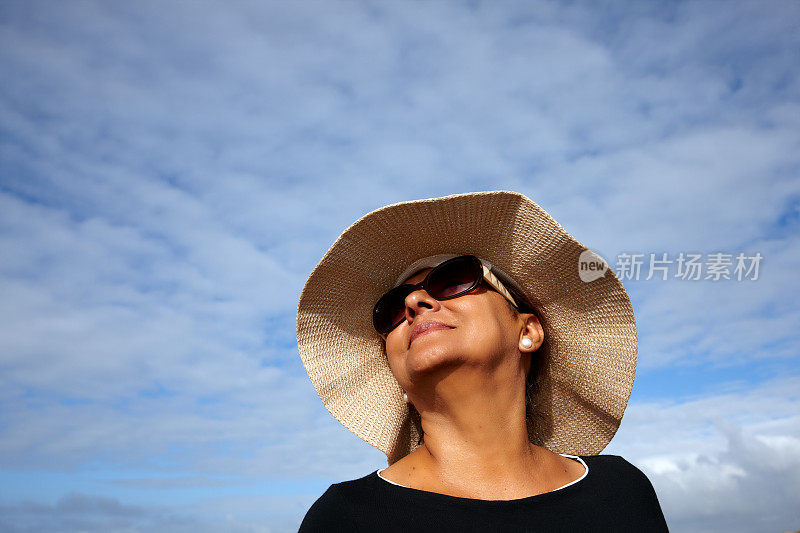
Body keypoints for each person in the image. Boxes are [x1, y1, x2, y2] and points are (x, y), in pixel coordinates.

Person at [296, 191, 668, 532]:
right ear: (398, 377)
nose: (413, 303)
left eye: (454, 280)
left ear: (528, 332)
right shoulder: (345, 517)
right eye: (392, 309)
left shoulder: (622, 489)